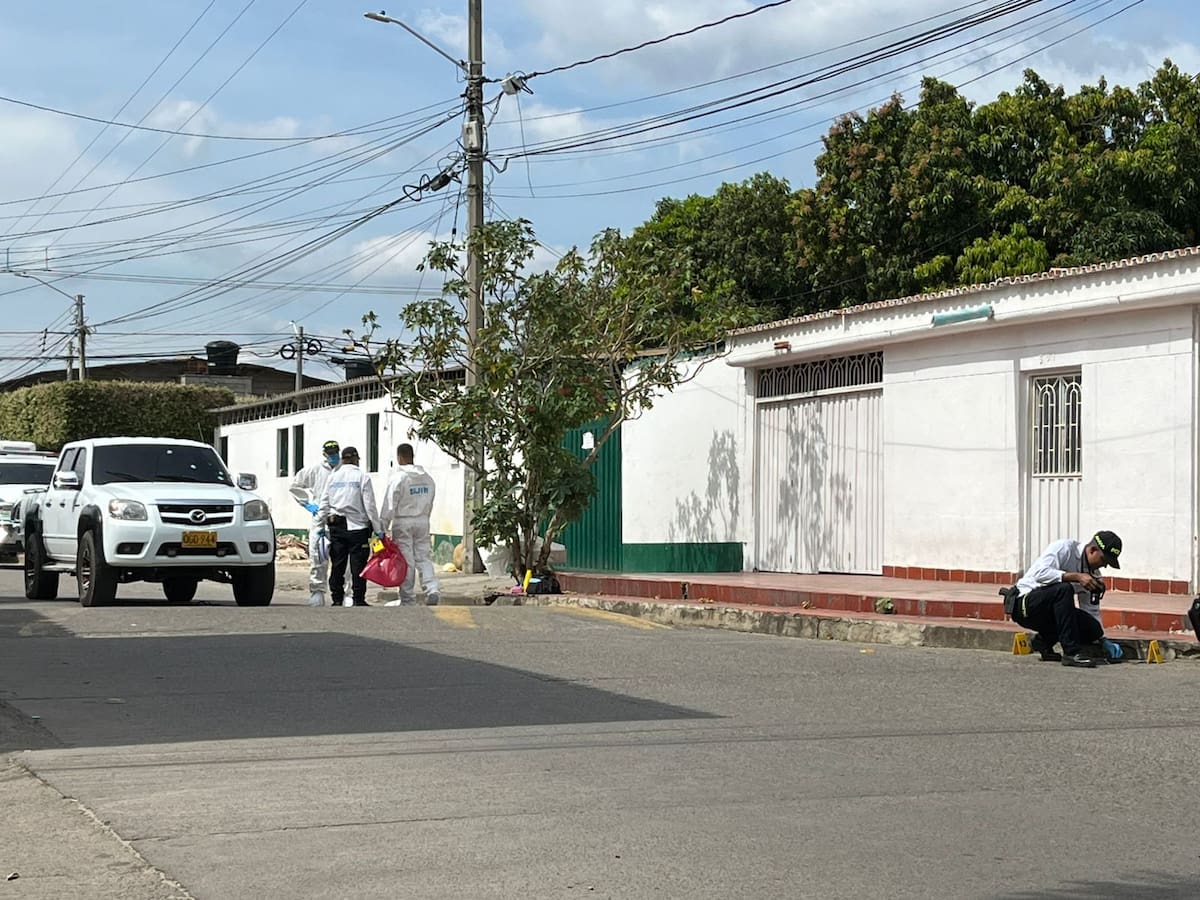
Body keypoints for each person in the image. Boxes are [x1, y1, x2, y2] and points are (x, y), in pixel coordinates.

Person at [1012, 530, 1124, 668]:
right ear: (1093, 550)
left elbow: (1091, 611)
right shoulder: (1065, 548)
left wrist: (1102, 639)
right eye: (1104, 560)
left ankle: (1043, 642)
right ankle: (1071, 653)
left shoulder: (1094, 576)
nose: (1104, 565)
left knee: (1093, 628)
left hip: (1049, 614)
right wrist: (1076, 576)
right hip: (1024, 604)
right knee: (1064, 589)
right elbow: (1039, 573)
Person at [317, 446, 383, 608]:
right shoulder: (362, 477)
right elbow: (370, 505)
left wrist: (320, 524)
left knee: (338, 564)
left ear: (342, 459)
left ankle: (337, 598)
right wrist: (378, 529)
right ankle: (358, 598)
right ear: (356, 459)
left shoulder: (333, 477)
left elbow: (324, 503)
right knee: (358, 565)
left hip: (337, 526)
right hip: (358, 528)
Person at [380, 443, 440, 607]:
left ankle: (407, 598)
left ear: (399, 457)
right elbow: (430, 501)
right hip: (422, 520)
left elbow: (389, 505)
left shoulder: (398, 478)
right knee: (424, 557)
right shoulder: (427, 478)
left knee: (406, 560)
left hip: (403, 522)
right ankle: (432, 589)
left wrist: (382, 527)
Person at [289, 439, 342, 607]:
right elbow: (295, 485)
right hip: (320, 519)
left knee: (343, 560)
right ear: (325, 455)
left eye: (336, 452)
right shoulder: (315, 470)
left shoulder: (343, 470)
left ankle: (345, 593)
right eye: (331, 453)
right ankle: (317, 592)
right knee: (317, 557)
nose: (334, 456)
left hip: (340, 519)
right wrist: (307, 503)